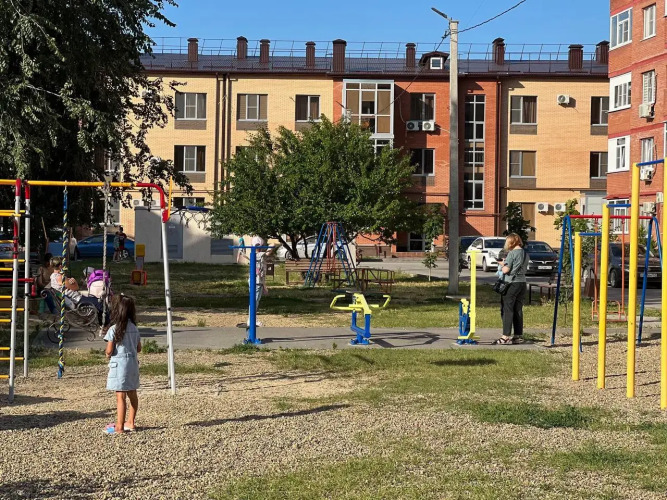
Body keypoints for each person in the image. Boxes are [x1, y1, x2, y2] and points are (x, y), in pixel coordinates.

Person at [103, 294, 141, 434]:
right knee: (132, 393)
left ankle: (119, 426)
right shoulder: (134, 328)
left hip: (119, 365)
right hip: (132, 364)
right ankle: (131, 422)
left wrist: (107, 354)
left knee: (120, 396)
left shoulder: (114, 329)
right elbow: (139, 348)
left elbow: (109, 350)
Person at [493, 234, 529, 345]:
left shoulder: (512, 253)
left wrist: (501, 264)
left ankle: (505, 336)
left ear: (511, 242)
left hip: (511, 283)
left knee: (507, 309)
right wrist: (506, 263)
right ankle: (518, 335)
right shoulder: (525, 254)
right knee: (518, 309)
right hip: (522, 283)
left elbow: (506, 270)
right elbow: (518, 266)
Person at [239, 236, 274, 328]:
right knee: (255, 301)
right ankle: (252, 320)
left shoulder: (253, 255)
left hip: (253, 280)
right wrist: (264, 286)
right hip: (258, 282)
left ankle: (251, 319)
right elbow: (272, 246)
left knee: (253, 301)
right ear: (260, 246)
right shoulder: (260, 255)